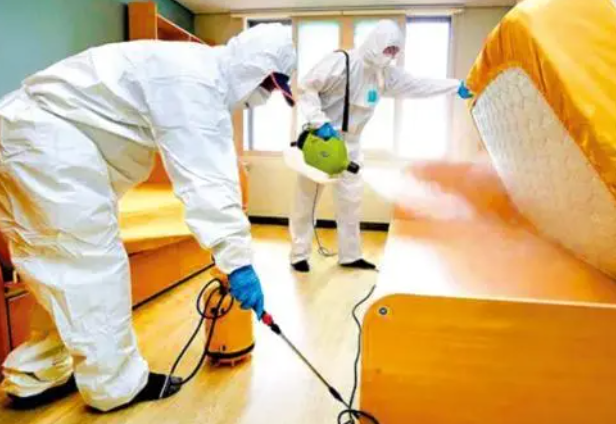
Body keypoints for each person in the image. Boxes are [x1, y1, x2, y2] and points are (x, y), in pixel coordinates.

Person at [0, 23, 295, 411]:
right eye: (268, 85)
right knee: (91, 264)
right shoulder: (197, 83)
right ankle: (116, 386)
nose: (265, 97)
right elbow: (209, 183)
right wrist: (238, 263)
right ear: (253, 66)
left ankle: (37, 376)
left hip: (29, 135)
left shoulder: (196, 73)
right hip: (44, 140)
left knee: (59, 268)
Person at [290, 20, 473, 273]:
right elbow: (306, 87)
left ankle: (350, 255)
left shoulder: (384, 75)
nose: (391, 55)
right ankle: (298, 254)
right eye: (388, 49)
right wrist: (319, 122)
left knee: (351, 202)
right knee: (307, 199)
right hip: (321, 139)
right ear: (376, 43)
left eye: (395, 51)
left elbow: (417, 85)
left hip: (351, 145)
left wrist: (455, 87)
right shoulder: (342, 62)